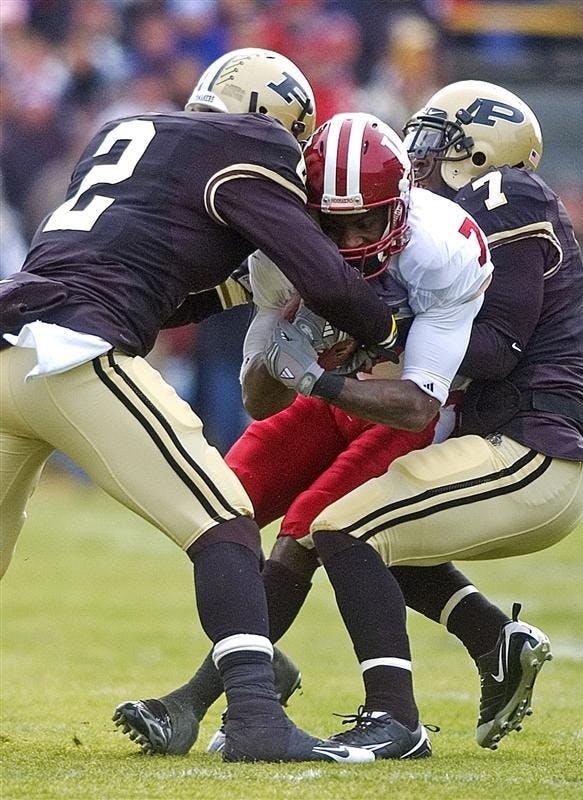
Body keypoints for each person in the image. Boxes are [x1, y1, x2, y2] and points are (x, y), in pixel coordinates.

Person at [137, 83, 583, 760]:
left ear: (481, 150)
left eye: (437, 144)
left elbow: (496, 349)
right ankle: (489, 639)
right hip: (472, 428)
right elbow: (250, 334)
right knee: (294, 519)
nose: (419, 159)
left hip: (527, 438)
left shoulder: (496, 203)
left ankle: (381, 715)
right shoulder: (364, 222)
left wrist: (365, 340)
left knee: (339, 528)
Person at [0, 48, 403, 765]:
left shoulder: (121, 132)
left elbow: (157, 279)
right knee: (223, 519)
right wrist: (389, 329)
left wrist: (236, 292)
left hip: (9, 341)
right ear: (277, 120)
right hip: (72, 353)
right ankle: (254, 717)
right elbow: (326, 280)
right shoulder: (251, 143)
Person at [112, 110, 494, 759]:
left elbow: (413, 405)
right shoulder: (277, 249)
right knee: (221, 510)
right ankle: (252, 679)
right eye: (332, 223)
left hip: (405, 398)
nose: (347, 240)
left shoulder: (442, 249)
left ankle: (218, 701)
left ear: (399, 207)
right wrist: (283, 357)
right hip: (334, 389)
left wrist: (317, 379)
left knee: (321, 524)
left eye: (364, 222)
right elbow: (258, 403)